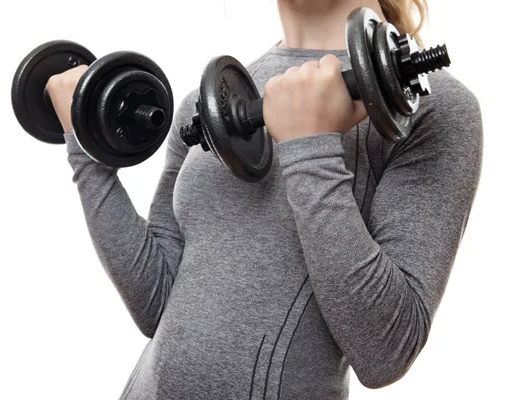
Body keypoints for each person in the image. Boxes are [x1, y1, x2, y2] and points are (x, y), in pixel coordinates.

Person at [46, 0, 483, 398]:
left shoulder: (433, 108)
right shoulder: (207, 101)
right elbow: (155, 302)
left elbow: (385, 351)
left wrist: (310, 143)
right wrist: (86, 151)